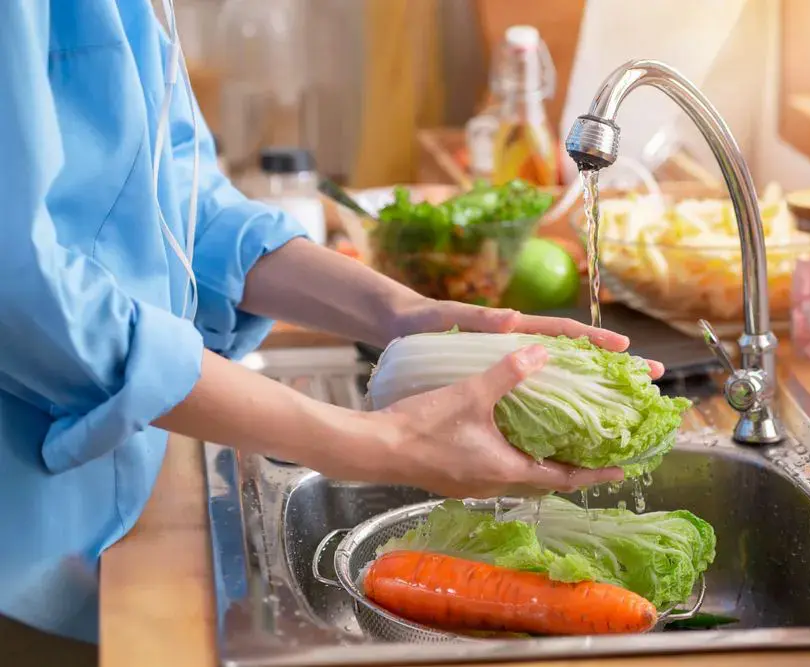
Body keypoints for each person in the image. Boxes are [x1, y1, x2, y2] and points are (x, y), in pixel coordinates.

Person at [0, 2, 664, 664]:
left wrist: (403, 314)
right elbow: (24, 291)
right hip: (21, 558)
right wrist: (380, 442)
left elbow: (181, 201)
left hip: (110, 514)